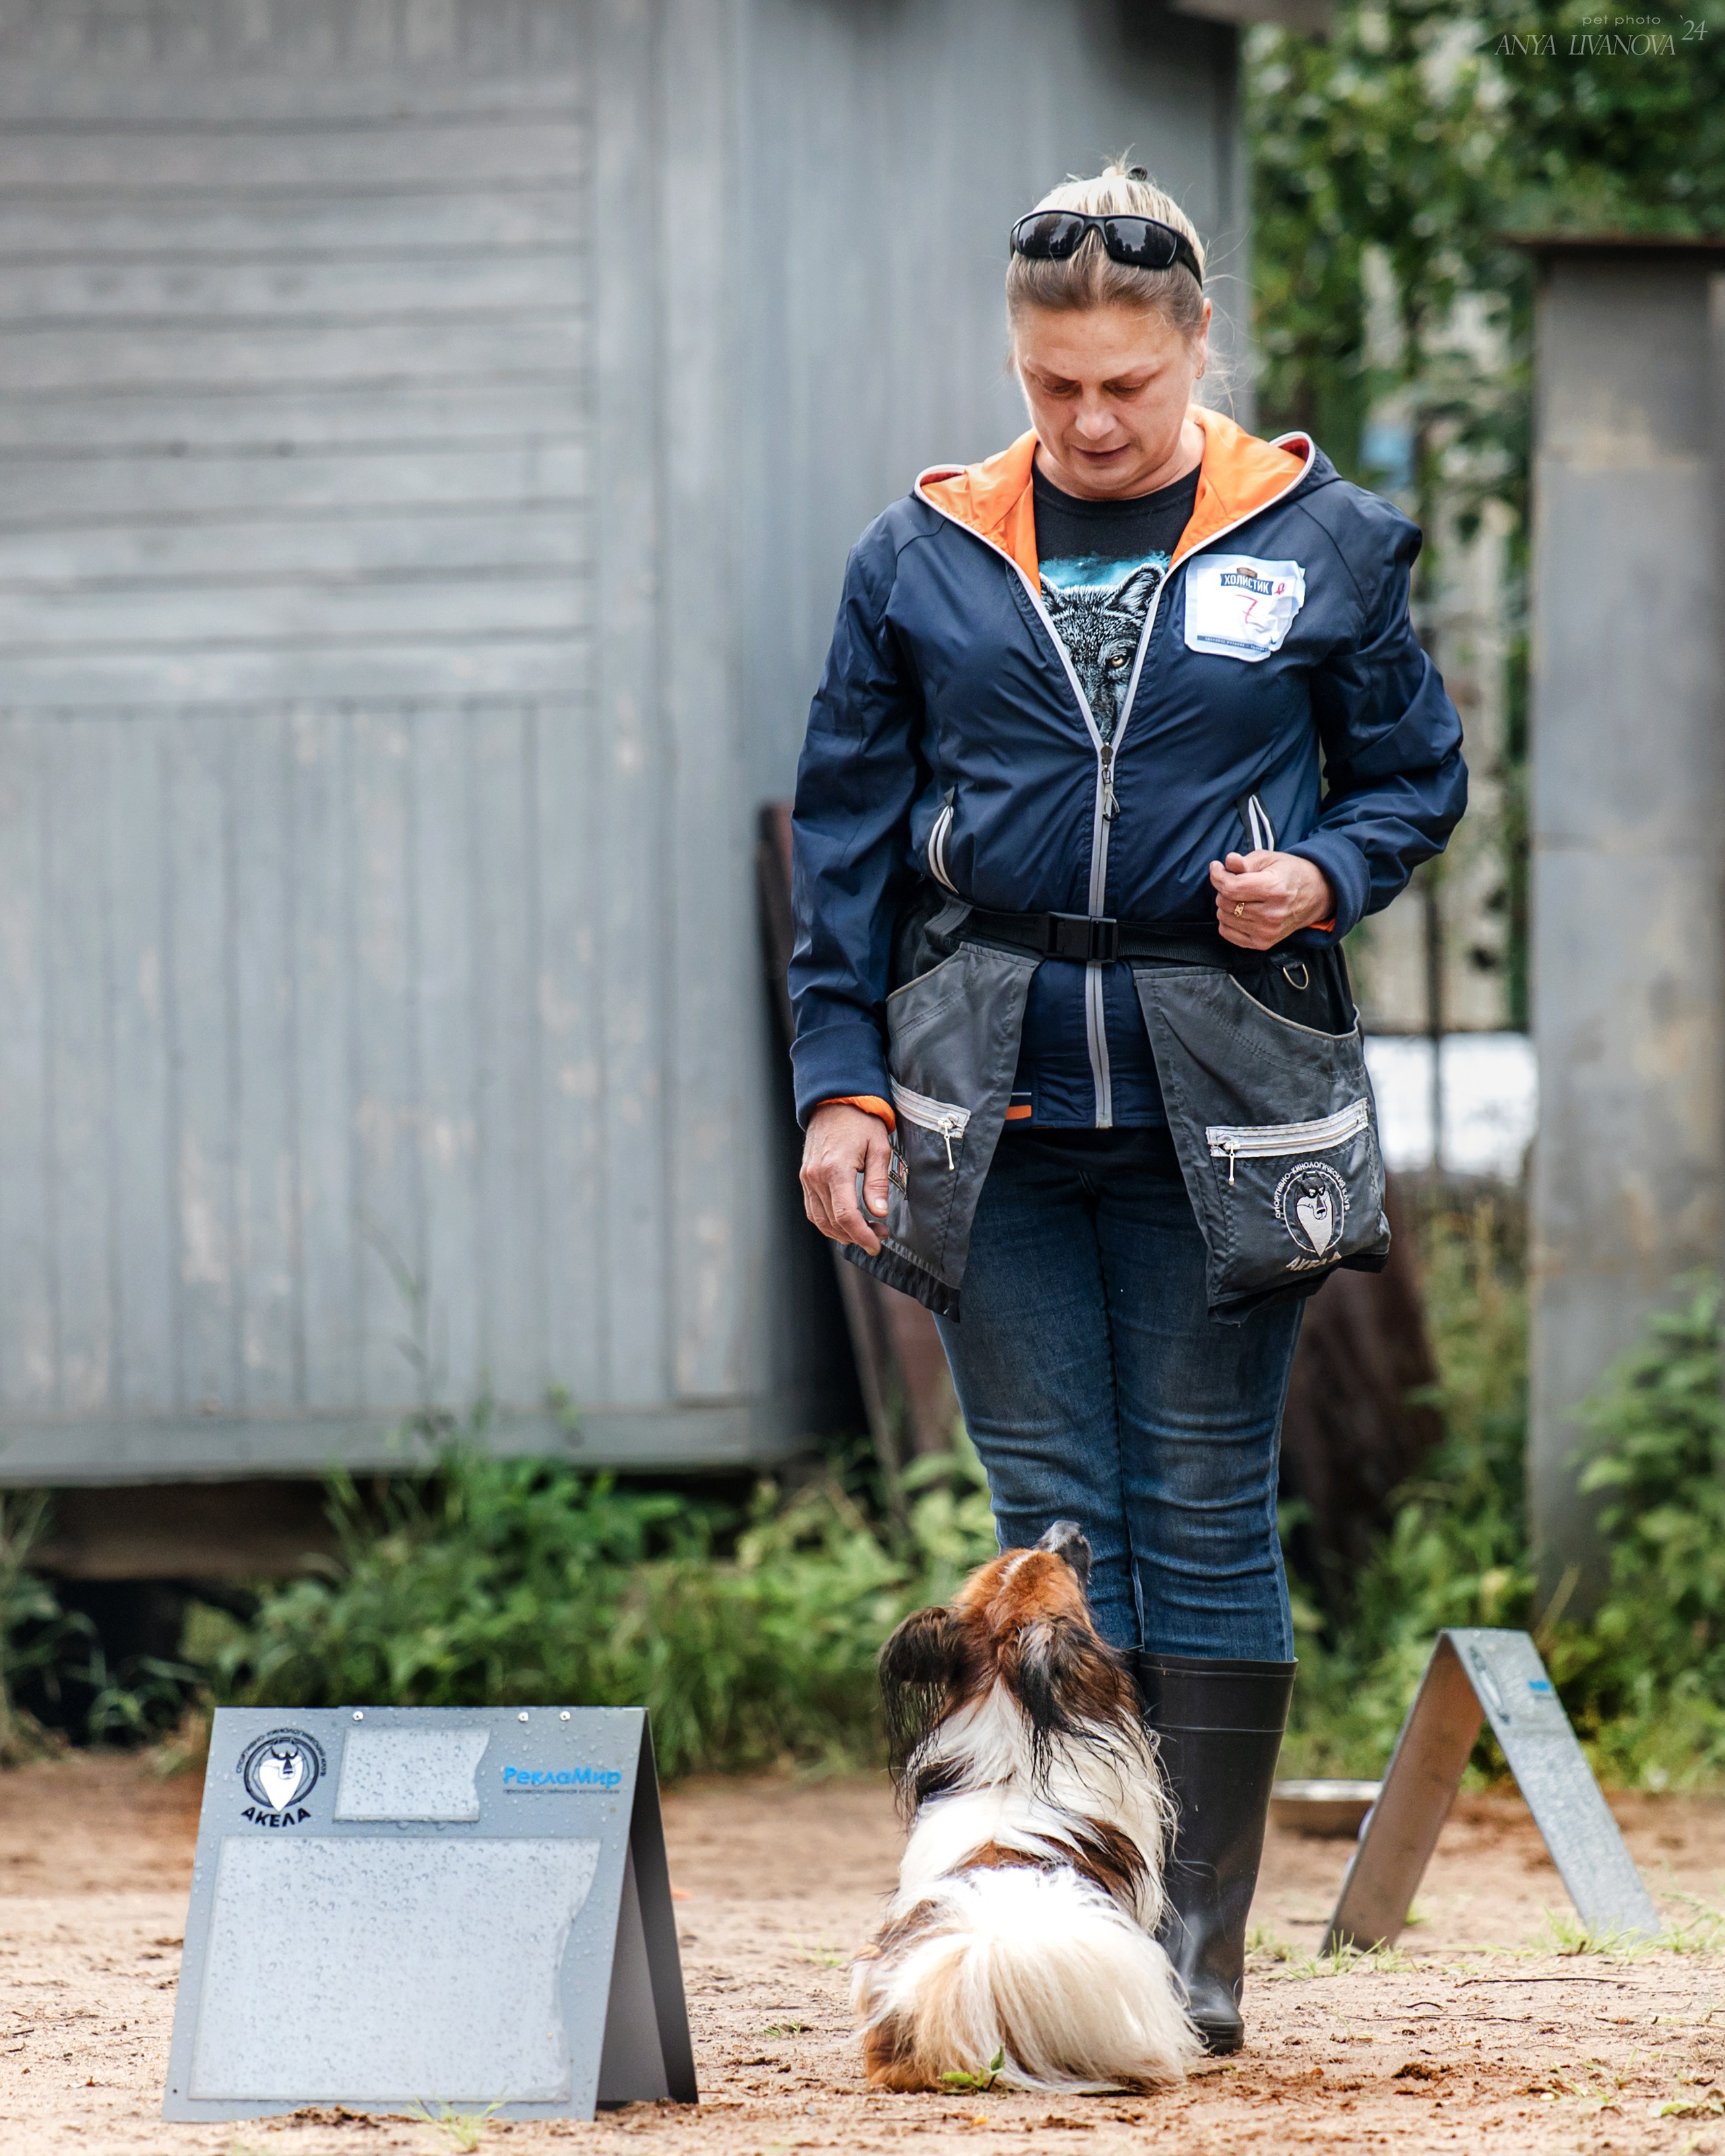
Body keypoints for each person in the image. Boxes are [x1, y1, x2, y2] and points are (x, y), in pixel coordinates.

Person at [788, 165, 1466, 2052]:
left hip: (1220, 1104)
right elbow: (844, 836)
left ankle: (1196, 1958)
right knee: (1053, 1531)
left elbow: (1416, 776)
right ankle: (1060, 1926)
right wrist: (840, 1080)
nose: (1090, 422)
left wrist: (1324, 873)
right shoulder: (920, 554)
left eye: (1126, 387)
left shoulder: (1323, 541)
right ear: (1017, 361)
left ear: (1197, 351)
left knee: (1202, 1508)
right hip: (982, 1105)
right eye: (1053, 384)